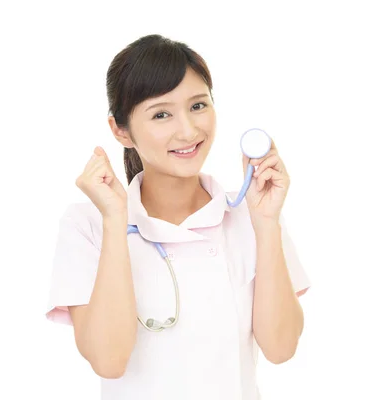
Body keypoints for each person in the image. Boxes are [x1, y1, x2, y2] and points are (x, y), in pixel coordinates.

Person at [44, 34, 311, 400]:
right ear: (120, 130)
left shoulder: (253, 213)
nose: (188, 130)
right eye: (161, 114)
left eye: (198, 106)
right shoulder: (87, 224)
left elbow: (281, 349)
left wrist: (266, 224)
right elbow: (108, 360)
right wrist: (114, 220)